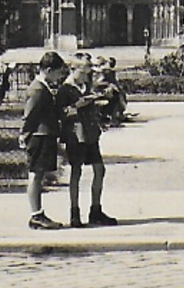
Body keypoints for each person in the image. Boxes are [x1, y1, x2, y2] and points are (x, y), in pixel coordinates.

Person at [56, 53, 117, 228]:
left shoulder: (86, 85)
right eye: (84, 70)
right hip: (76, 135)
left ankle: (95, 210)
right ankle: (74, 213)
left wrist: (99, 102)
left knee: (99, 169)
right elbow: (61, 113)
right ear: (74, 68)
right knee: (76, 172)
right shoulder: (65, 89)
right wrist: (77, 106)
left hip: (90, 133)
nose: (87, 74)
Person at [20, 50, 69, 230]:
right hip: (39, 136)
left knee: (39, 174)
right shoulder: (38, 89)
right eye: (57, 72)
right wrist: (25, 135)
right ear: (48, 70)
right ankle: (36, 215)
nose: (59, 76)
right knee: (35, 174)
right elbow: (30, 115)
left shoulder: (44, 87)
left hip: (44, 135)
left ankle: (38, 213)